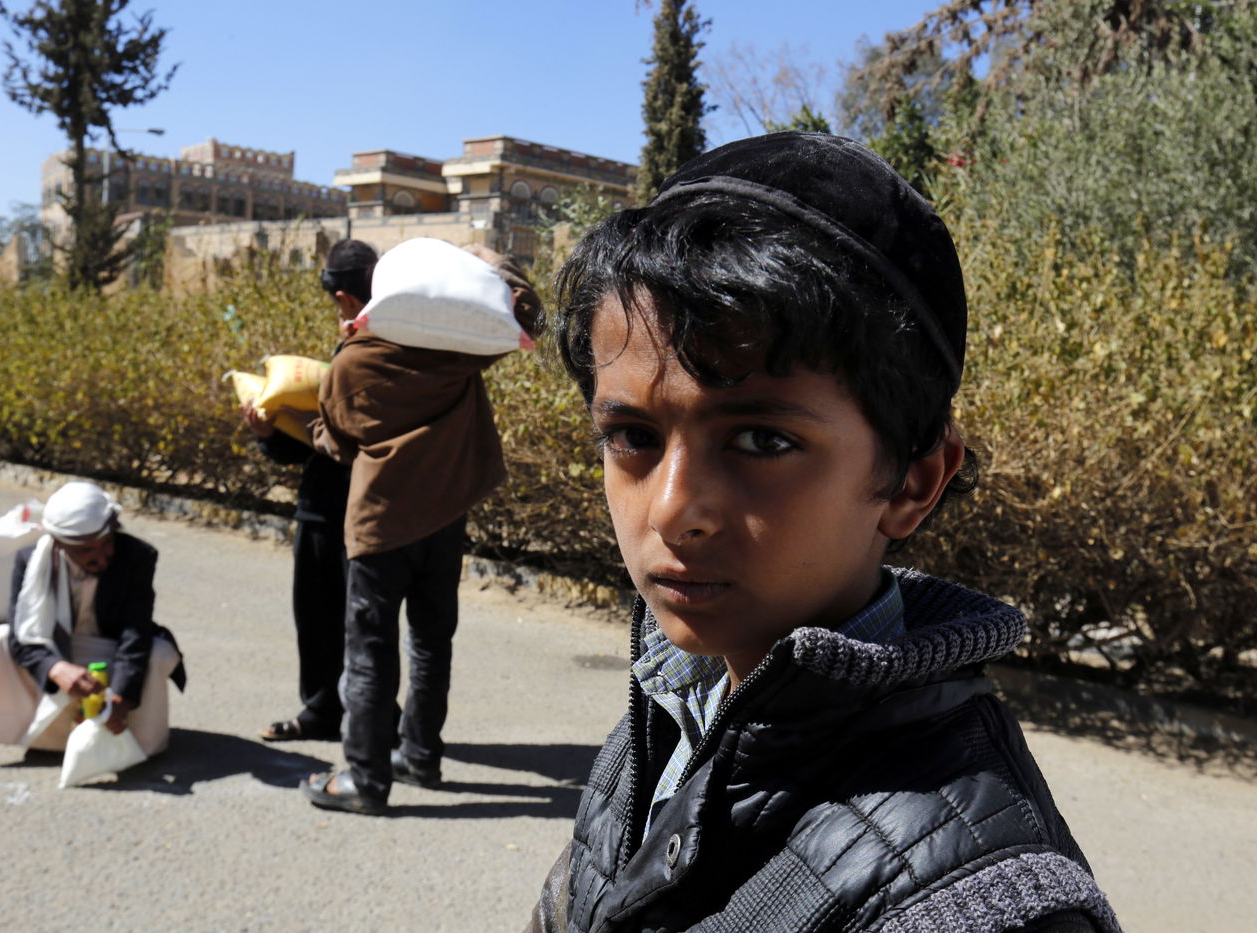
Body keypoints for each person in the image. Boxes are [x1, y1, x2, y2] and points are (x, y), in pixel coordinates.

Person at [525, 133, 1120, 932]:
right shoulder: (673, 704)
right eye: (633, 436)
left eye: (761, 440)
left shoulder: (981, 904)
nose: (671, 509)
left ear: (912, 481)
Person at [300, 240, 542, 815]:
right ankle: (421, 756)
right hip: (445, 518)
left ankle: (365, 779)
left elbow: (337, 442)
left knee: (370, 651)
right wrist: (487, 258)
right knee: (432, 643)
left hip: (380, 525)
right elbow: (523, 312)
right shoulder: (457, 351)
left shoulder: (352, 364)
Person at [244, 239, 374, 743]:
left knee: (347, 622)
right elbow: (319, 441)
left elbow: (341, 438)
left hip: (347, 510)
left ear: (343, 299)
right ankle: (330, 712)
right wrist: (270, 434)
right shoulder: (382, 350)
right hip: (343, 507)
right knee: (339, 619)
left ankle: (372, 724)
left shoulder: (366, 354)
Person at [0, 481, 184, 758]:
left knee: (159, 651)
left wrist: (121, 697)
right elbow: (20, 636)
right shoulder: (31, 559)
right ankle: (48, 739)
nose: (101, 557)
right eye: (86, 551)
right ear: (60, 544)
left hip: (109, 648)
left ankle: (138, 742)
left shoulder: (137, 556)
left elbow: (135, 632)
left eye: (107, 543)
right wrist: (54, 667)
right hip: (58, 647)